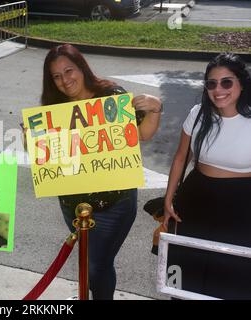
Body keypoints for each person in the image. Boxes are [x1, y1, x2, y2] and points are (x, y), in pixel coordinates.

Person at [39, 44, 162, 300]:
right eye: (57, 76)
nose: (65, 80)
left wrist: (154, 107)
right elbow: (56, 158)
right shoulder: (55, 107)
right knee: (88, 262)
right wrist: (39, 142)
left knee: (97, 265)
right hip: (72, 204)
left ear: (82, 68)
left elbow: (144, 134)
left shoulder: (110, 96)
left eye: (69, 70)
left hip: (114, 203)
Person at [164, 53, 251, 299]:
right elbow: (181, 157)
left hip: (242, 203)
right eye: (211, 83)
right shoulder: (198, 114)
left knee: (232, 270)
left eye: (227, 82)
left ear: (241, 83)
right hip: (196, 197)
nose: (218, 89)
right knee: (188, 263)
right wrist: (168, 199)